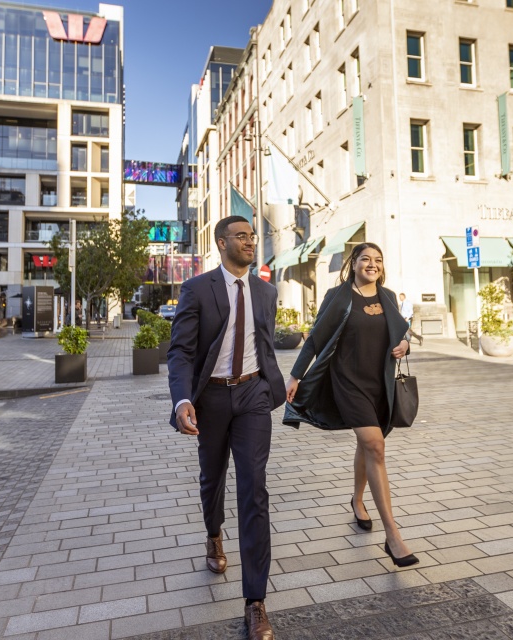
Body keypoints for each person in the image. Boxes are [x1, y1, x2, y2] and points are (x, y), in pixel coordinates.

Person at [167, 215, 285, 640]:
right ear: (221, 243)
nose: (250, 241)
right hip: (211, 398)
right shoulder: (198, 289)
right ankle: (214, 534)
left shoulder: (266, 291)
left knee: (254, 488)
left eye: (252, 236)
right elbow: (180, 351)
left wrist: (280, 383)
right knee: (211, 479)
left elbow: (265, 346)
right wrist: (182, 400)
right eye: (241, 236)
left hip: (253, 396)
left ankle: (256, 602)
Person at [284, 243, 419, 568]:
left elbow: (403, 333)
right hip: (348, 382)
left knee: (369, 444)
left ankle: (358, 500)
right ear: (353, 264)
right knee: (374, 444)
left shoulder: (387, 296)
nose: (371, 264)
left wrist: (404, 345)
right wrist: (295, 375)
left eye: (377, 260)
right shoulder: (339, 296)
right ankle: (393, 537)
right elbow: (316, 337)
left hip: (379, 383)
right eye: (365, 259)